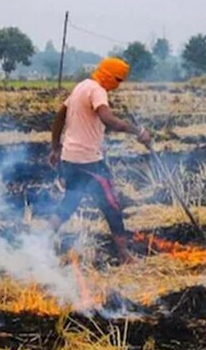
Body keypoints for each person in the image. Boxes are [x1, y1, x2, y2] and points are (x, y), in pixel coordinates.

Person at [48, 57, 152, 263]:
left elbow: (60, 116)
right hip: (89, 161)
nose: (118, 85)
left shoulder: (81, 87)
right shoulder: (97, 90)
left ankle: (39, 241)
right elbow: (108, 119)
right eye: (118, 80)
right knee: (111, 205)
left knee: (70, 201)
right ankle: (124, 255)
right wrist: (137, 130)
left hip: (69, 158)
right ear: (109, 76)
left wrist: (56, 147)